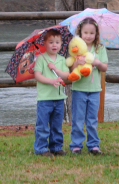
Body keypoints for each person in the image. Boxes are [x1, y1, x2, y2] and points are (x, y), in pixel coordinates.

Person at [69, 18, 108, 155]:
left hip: (95, 90)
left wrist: (97, 62)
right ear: (80, 33)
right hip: (79, 89)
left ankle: (93, 145)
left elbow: (104, 67)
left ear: (96, 33)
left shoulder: (100, 48)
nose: (88, 36)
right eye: (85, 32)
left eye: (91, 33)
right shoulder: (76, 49)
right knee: (78, 119)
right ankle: (76, 145)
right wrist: (77, 63)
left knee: (92, 119)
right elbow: (71, 69)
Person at [33, 29, 70, 157]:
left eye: (57, 42)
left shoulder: (61, 59)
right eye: (51, 42)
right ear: (44, 43)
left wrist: (55, 69)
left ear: (61, 44)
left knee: (56, 125)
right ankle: (41, 148)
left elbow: (67, 75)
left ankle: (56, 146)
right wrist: (51, 81)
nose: (54, 45)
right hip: (45, 99)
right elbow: (37, 76)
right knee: (42, 125)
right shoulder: (41, 59)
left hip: (59, 98)